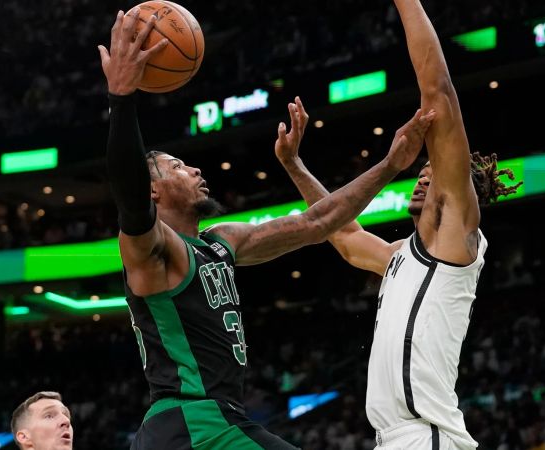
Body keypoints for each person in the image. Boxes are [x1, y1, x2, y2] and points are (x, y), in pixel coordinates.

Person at [96, 8, 436, 449]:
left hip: (207, 424)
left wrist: (390, 165)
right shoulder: (155, 251)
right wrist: (122, 99)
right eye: (177, 167)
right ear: (153, 193)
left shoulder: (222, 242)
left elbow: (316, 223)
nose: (195, 169)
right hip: (193, 422)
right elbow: (127, 190)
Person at [274, 0, 523, 446]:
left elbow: (440, 93)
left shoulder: (454, 236)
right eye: (421, 175)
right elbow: (345, 236)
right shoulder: (398, 256)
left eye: (434, 177)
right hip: (393, 438)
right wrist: (294, 165)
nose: (423, 181)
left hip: (427, 436)